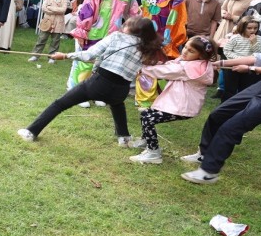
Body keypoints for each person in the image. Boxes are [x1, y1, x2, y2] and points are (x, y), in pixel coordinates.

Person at [17, 17, 164, 146]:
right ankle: (124, 138)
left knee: (59, 104)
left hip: (99, 83)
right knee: (117, 105)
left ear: (132, 29)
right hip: (121, 89)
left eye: (127, 24)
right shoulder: (148, 47)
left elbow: (89, 54)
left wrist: (65, 55)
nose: (124, 25)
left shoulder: (117, 37)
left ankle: (31, 132)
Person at [180, 48, 261, 184]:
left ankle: (208, 172)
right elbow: (257, 58)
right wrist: (220, 63)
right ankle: (204, 154)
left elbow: (256, 65)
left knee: (231, 127)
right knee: (218, 114)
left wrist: (251, 69)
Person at [128, 36, 217, 164]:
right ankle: (146, 140)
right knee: (146, 114)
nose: (185, 51)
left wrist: (142, 68)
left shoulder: (188, 68)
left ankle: (153, 153)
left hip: (182, 107)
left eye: (191, 51)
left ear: (201, 55)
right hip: (179, 104)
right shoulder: (195, 64)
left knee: (148, 118)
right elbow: (170, 65)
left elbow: (165, 71)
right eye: (185, 47)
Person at [68, 0, 140, 108]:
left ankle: (97, 93)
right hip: (93, 32)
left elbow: (133, 12)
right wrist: (82, 31)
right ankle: (78, 93)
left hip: (114, 35)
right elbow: (86, 11)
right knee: (86, 63)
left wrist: (137, 29)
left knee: (104, 65)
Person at [136, 0, 187, 106]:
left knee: (168, 68)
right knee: (147, 65)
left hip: (167, 39)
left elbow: (176, 19)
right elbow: (146, 15)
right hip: (149, 37)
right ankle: (145, 101)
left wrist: (168, 39)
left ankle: (168, 99)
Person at [221, 16, 261, 101]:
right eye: (249, 28)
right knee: (230, 89)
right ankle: (226, 104)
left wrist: (254, 42)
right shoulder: (235, 38)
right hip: (233, 67)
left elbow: (260, 54)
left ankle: (242, 105)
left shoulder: (259, 39)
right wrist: (240, 60)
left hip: (248, 68)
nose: (252, 30)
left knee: (245, 90)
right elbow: (227, 50)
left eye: (255, 28)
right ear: (243, 27)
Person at [29, 0, 71, 64]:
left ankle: (52, 57)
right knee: (41, 38)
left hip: (58, 21)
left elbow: (63, 10)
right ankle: (35, 55)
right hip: (47, 21)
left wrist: (50, 8)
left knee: (55, 41)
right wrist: (55, 10)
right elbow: (44, 8)